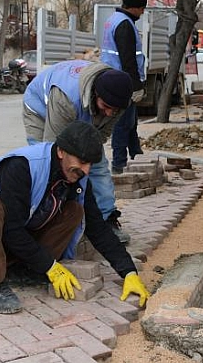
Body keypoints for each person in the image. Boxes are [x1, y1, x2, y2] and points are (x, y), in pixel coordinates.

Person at [0, 121, 150, 314]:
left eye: (90, 165)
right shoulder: (22, 166)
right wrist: (50, 266)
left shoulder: (77, 178)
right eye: (82, 162)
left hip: (17, 243)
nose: (86, 171)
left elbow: (98, 227)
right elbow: (11, 228)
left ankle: (23, 271)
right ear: (61, 151)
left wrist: (128, 272)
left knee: (75, 211)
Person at [22, 59, 133, 244]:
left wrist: (86, 158)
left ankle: (107, 219)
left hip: (82, 107)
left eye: (115, 110)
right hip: (40, 108)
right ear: (96, 93)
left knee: (97, 165)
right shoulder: (64, 98)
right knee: (44, 164)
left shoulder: (117, 99)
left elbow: (101, 136)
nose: (109, 113)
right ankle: (44, 218)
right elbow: (53, 148)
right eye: (105, 107)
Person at [101, 0, 148, 175]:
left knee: (130, 121)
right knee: (122, 123)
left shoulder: (113, 20)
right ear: (135, 7)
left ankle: (135, 152)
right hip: (122, 81)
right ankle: (119, 164)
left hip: (113, 76)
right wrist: (136, 87)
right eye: (142, 8)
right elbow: (128, 58)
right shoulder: (125, 25)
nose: (143, 12)